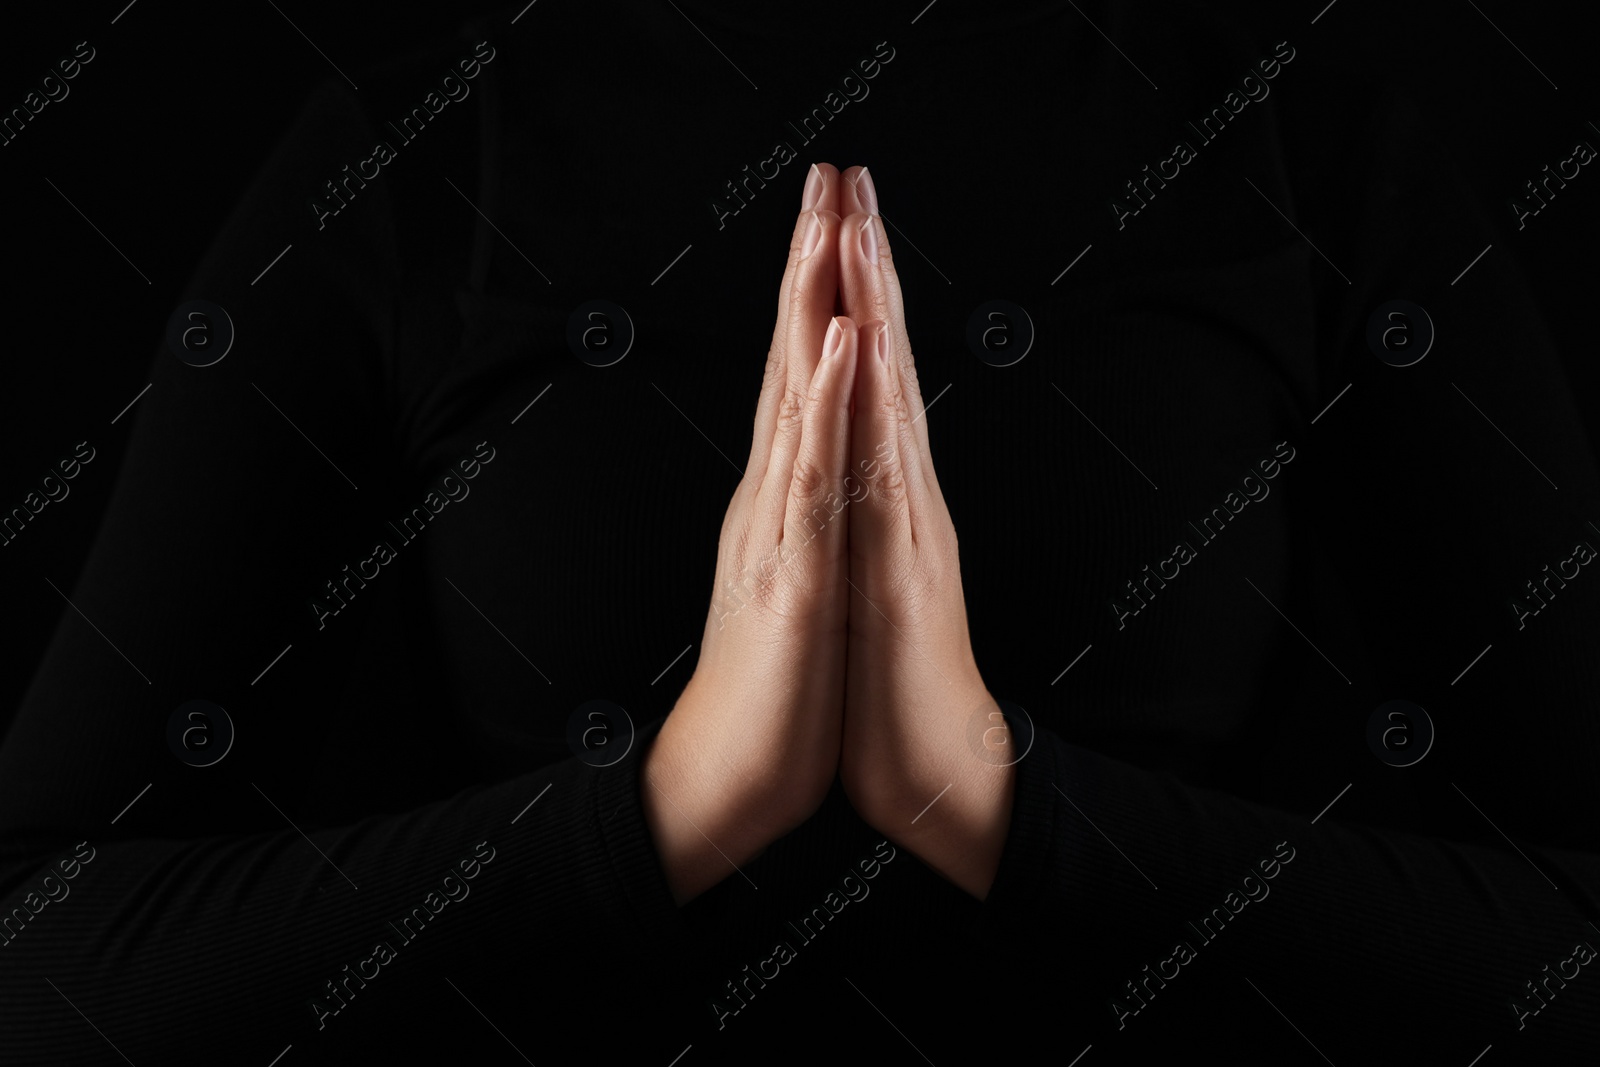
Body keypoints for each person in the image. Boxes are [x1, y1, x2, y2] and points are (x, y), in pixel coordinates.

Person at [2, 2, 1597, 1063]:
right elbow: (41, 956)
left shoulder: (1293, 128)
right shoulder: (430, 147)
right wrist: (681, 801)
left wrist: (988, 801)